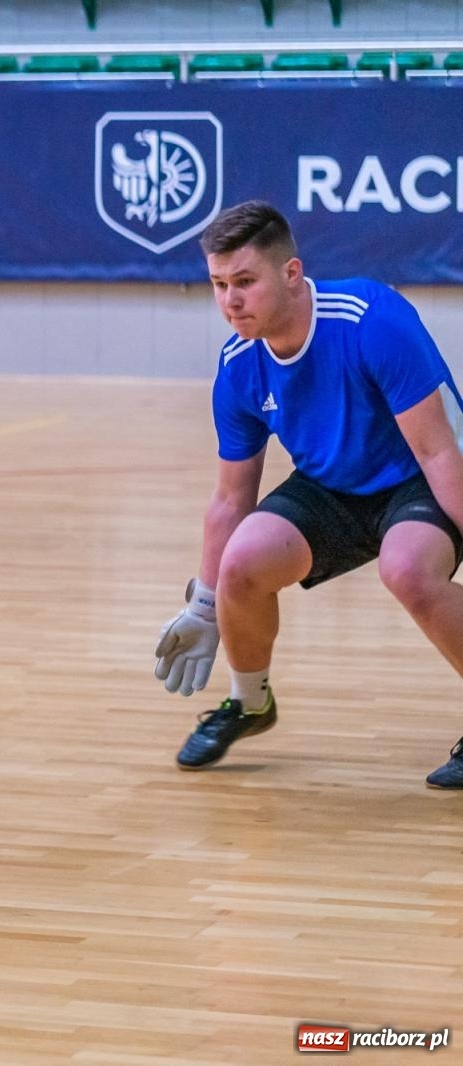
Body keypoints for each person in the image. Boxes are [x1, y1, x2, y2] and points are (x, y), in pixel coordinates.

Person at [154, 200, 463, 788]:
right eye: (219, 284)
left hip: (417, 477)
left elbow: (438, 452)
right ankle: (249, 702)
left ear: (291, 273)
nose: (231, 300)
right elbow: (230, 499)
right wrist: (205, 604)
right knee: (241, 562)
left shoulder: (369, 318)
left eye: (245, 281)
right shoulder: (239, 365)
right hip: (332, 485)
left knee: (407, 570)